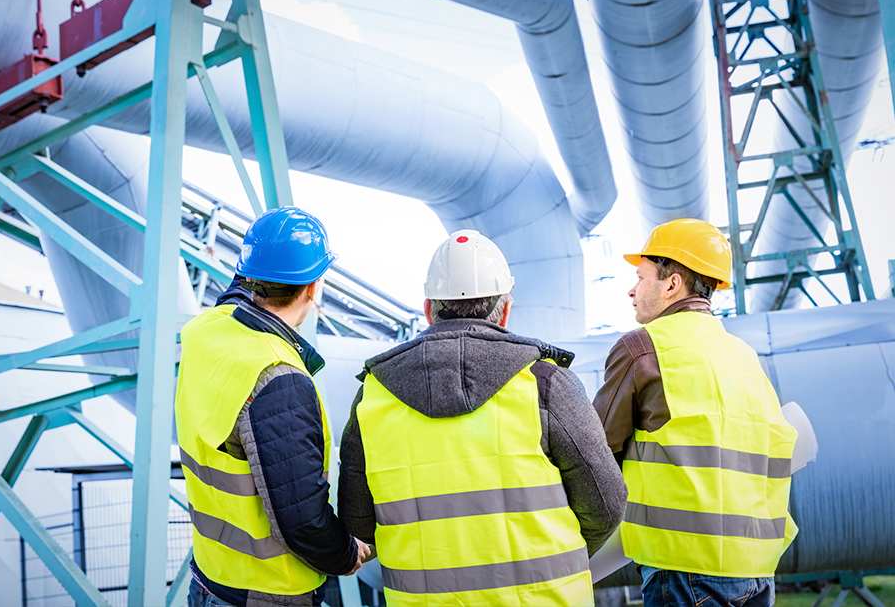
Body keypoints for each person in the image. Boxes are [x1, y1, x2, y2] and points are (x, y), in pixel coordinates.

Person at [338, 229, 626, 605]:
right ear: (504, 311)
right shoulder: (545, 383)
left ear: (429, 310)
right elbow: (606, 504)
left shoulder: (373, 396)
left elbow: (358, 525)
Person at [593, 218, 798, 606]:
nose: (631, 290)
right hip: (757, 569)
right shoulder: (743, 356)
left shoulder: (643, 348)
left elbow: (596, 452)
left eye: (641, 277)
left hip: (686, 568)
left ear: (672, 284)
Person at [175, 207, 370, 607]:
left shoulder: (206, 332)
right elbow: (302, 519)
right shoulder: (278, 378)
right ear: (313, 288)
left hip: (211, 577)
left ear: (248, 276)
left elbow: (233, 298)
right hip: (266, 593)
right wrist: (346, 553)